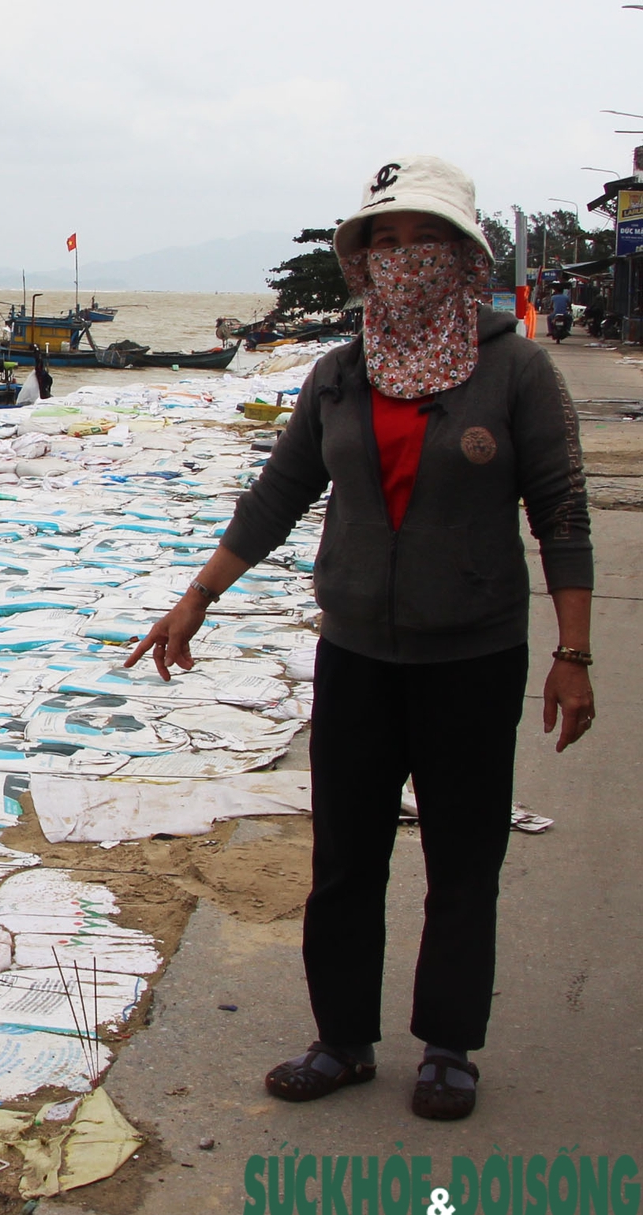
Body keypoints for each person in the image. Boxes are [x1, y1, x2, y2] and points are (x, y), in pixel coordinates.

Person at [125, 155, 595, 1122]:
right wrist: (197, 596)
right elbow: (279, 496)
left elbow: (563, 511)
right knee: (345, 858)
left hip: (472, 657)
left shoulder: (516, 369)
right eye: (383, 240)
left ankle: (449, 1046)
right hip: (357, 657)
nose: (402, 257)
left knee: (464, 859)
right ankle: (341, 1039)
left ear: (463, 254)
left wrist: (573, 652)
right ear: (361, 261)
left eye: (422, 238)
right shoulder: (340, 374)